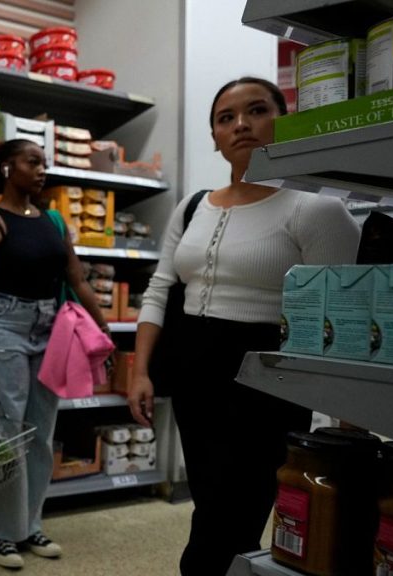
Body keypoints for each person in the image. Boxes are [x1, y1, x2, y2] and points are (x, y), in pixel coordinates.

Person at [127, 77, 361, 575]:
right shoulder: (193, 206)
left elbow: (339, 318)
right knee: (211, 501)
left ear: (283, 120)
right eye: (225, 118)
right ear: (214, 136)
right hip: (194, 376)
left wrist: (343, 415)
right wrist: (139, 370)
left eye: (256, 110)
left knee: (234, 514)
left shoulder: (316, 208)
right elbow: (159, 288)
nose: (241, 125)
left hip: (265, 380)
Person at [0, 139, 111, 569]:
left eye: (44, 163)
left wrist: (102, 324)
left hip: (51, 331)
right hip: (1, 329)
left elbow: (77, 279)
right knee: (5, 435)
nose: (43, 170)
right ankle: (2, 533)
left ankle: (30, 523)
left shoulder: (55, 222)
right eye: (33, 162)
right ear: (7, 169)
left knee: (41, 433)